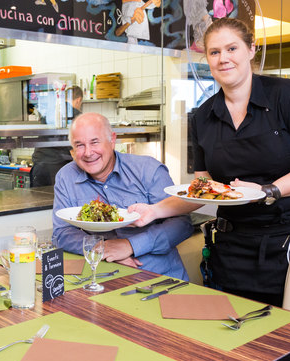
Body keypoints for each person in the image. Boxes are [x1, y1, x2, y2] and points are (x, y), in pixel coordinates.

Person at [129, 18, 290, 306]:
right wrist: (154, 211)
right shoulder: (203, 116)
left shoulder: (289, 97)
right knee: (235, 332)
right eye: (214, 52)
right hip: (233, 249)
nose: (223, 58)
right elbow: (203, 188)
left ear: (251, 50)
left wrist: (269, 191)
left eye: (232, 48)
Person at [52, 113, 193, 279]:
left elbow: (182, 224)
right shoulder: (65, 177)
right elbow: (61, 232)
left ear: (112, 140)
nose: (88, 152)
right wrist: (103, 248)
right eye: (79, 145)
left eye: (94, 142)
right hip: (104, 276)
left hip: (160, 277)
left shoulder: (148, 170)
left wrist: (130, 246)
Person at [30, 85, 83, 187]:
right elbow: (75, 148)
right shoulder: (75, 115)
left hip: (38, 166)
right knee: (55, 200)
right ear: (78, 100)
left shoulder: (51, 112)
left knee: (37, 200)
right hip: (57, 167)